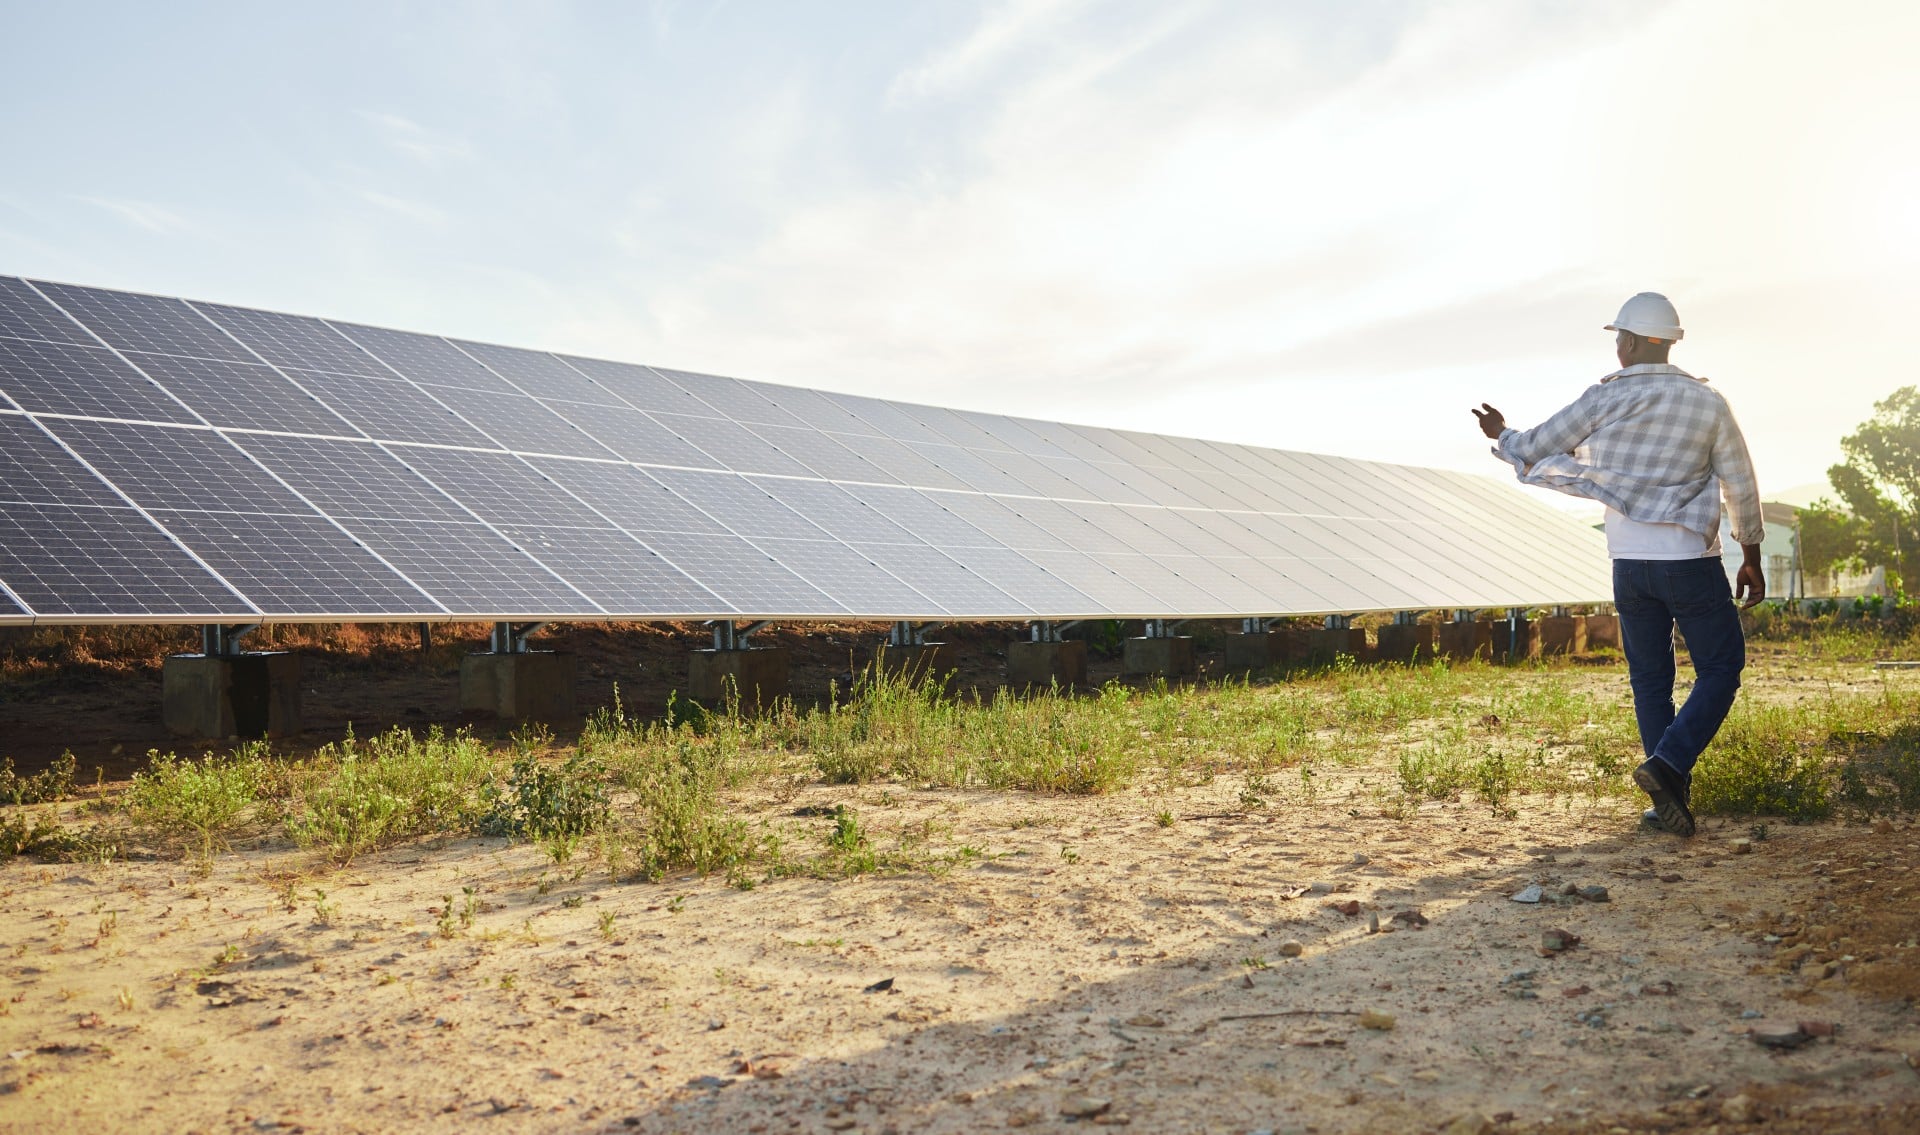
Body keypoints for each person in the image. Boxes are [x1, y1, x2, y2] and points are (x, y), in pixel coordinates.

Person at [1471, 292, 1764, 837]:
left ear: (1628, 342)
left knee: (1651, 681)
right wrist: (1750, 555)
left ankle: (1665, 796)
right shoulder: (1709, 403)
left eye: (1618, 338)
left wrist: (1502, 435)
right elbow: (1739, 483)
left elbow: (1537, 444)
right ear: (1670, 343)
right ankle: (1668, 767)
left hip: (1628, 564)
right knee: (1721, 669)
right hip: (1689, 561)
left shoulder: (1602, 399)